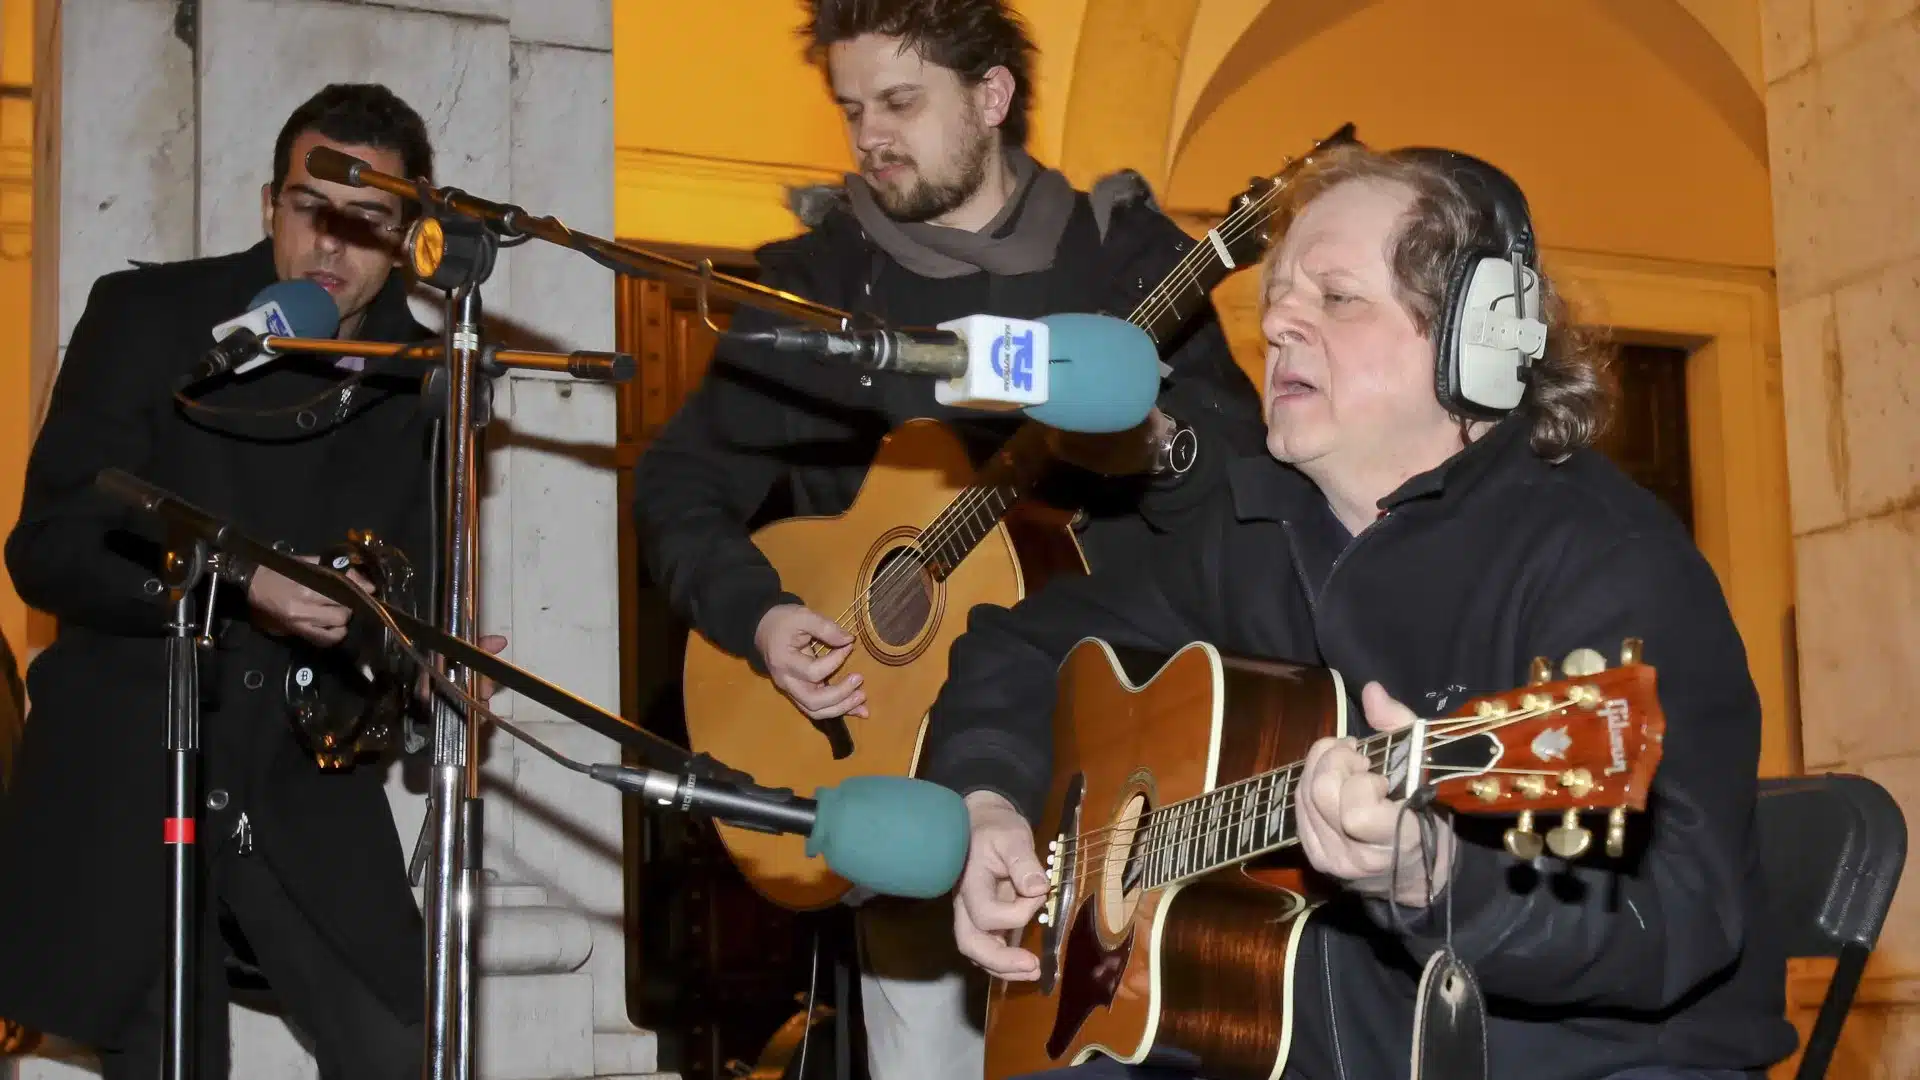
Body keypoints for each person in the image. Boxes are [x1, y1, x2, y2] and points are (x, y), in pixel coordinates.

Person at [922, 144, 1799, 1080]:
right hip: (1284, 1044)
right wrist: (985, 803)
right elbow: (1017, 646)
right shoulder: (1251, 530)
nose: (1281, 322)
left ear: (1476, 340)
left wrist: (1437, 880)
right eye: (1279, 296)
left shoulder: (1606, 566)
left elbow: (1673, 915)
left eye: (1336, 297)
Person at [630, 2, 1265, 1076]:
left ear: (991, 97)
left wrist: (1158, 444)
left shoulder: (1124, 262)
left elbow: (1242, 481)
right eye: (849, 109)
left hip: (1118, 759)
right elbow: (678, 483)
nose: (869, 134)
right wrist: (764, 613)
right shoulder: (819, 292)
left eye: (899, 102)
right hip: (909, 755)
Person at [0, 83, 502, 1080]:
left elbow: (406, 592)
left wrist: (424, 659)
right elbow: (51, 547)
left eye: (367, 223)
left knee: (403, 1046)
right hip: (142, 756)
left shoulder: (427, 373)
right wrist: (241, 586)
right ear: (268, 202)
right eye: (312, 211)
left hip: (298, 780)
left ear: (408, 233)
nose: (331, 247)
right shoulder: (148, 316)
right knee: (170, 1057)